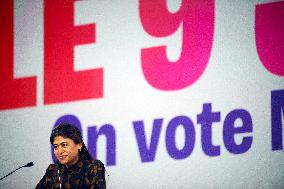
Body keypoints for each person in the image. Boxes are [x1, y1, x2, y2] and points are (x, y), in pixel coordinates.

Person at [36, 123, 106, 189]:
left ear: (79, 145)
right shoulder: (53, 170)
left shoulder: (93, 167)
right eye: (55, 146)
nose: (59, 151)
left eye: (64, 145)